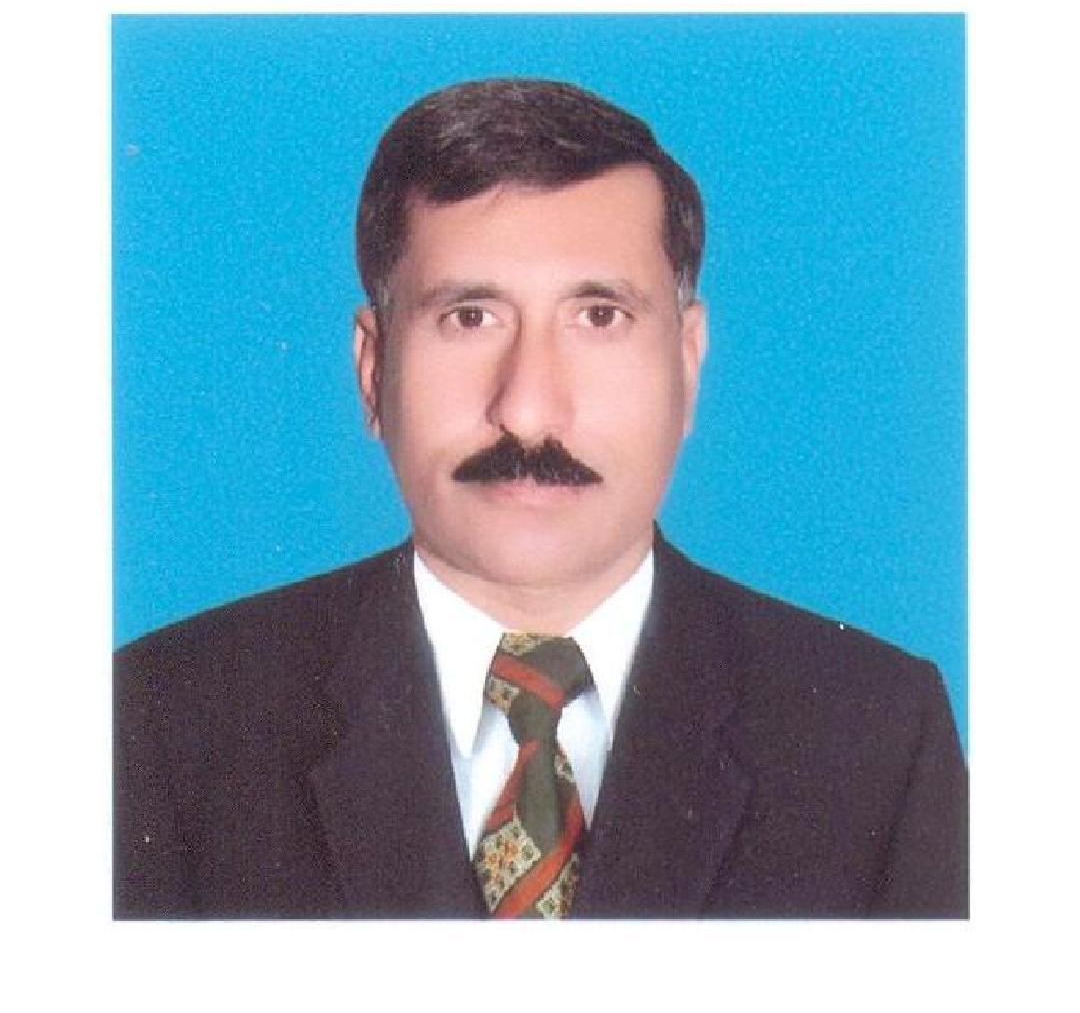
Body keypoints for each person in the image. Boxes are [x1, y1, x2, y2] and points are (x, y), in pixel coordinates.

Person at [114, 77, 967, 919]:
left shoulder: (879, 735)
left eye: (599, 316)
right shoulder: (161, 722)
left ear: (687, 361)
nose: (527, 409)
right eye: (470, 317)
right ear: (373, 373)